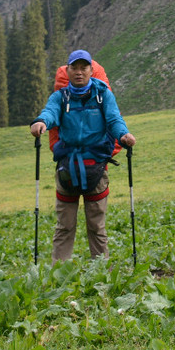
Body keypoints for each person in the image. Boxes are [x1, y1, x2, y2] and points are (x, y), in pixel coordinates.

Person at [30, 50, 136, 260]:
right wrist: (41, 121)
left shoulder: (103, 94)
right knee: (64, 226)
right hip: (67, 167)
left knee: (96, 226)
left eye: (83, 67)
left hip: (96, 166)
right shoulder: (60, 97)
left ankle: (101, 274)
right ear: (67, 71)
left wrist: (124, 135)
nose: (79, 72)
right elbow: (50, 112)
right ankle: (58, 276)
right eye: (74, 68)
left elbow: (114, 119)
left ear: (91, 70)